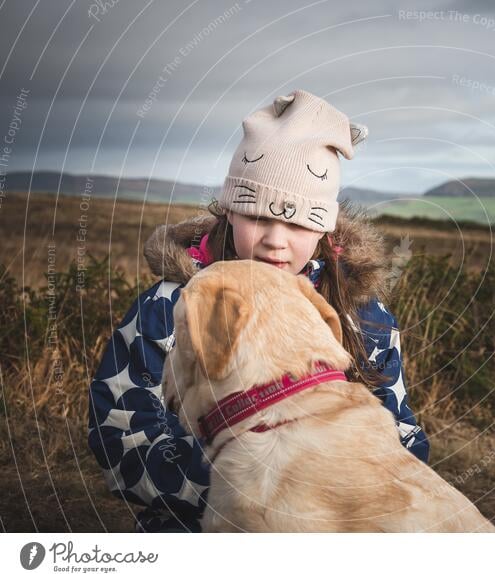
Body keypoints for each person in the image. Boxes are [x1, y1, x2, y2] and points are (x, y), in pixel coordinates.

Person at [87, 89, 429, 533]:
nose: (275, 240)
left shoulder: (362, 318)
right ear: (230, 211)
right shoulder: (171, 307)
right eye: (258, 216)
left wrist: (337, 499)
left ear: (324, 228)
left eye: (298, 222)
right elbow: (122, 434)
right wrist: (252, 494)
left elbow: (400, 436)